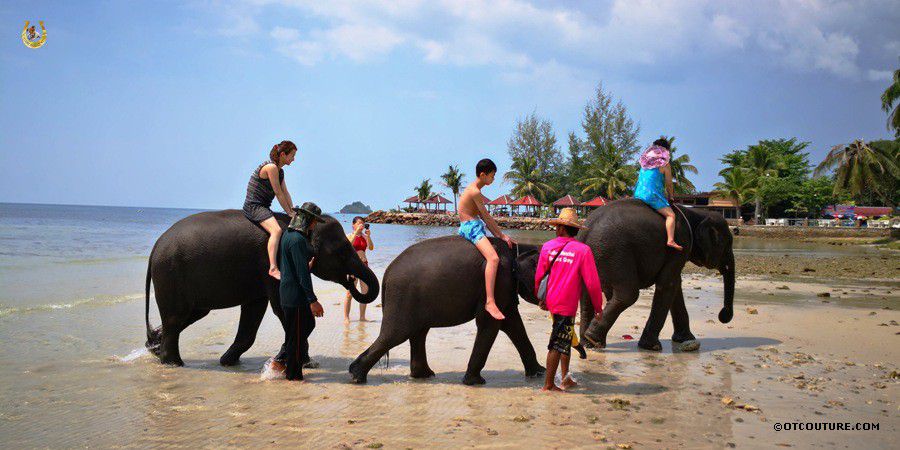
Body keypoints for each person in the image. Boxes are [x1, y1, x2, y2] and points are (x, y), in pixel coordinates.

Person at [534, 208, 604, 392]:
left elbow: (539, 277)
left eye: (558, 226)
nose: (556, 229)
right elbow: (593, 283)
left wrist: (540, 298)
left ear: (562, 229)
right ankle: (549, 385)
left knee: (564, 338)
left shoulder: (548, 247)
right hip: (567, 304)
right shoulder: (583, 251)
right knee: (558, 343)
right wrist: (598, 306)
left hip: (553, 302)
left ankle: (565, 379)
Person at [457, 158, 516, 321]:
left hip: (470, 224)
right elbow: (486, 217)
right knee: (494, 258)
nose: (493, 179)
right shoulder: (475, 191)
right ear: (483, 174)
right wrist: (501, 235)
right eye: (492, 175)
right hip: (471, 227)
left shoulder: (473, 188)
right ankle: (490, 301)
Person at [272, 202, 324, 381]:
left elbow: (295, 266)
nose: (315, 225)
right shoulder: (297, 241)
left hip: (288, 292)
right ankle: (293, 376)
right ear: (308, 220)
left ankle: (283, 362)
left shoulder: (288, 235)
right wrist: (313, 300)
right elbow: (302, 275)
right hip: (295, 296)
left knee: (306, 325)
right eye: (314, 221)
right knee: (295, 336)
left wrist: (304, 264)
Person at [243, 140, 298, 280]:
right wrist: (288, 212)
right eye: (292, 155)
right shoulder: (271, 167)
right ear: (283, 155)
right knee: (277, 230)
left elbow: (286, 192)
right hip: (254, 206)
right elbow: (278, 193)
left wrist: (292, 211)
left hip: (264, 206)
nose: (294, 159)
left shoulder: (280, 172)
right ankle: (273, 267)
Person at [634, 138, 682, 251]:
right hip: (652, 196)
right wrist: (671, 196)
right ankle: (670, 240)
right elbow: (669, 184)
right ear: (666, 151)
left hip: (638, 194)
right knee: (671, 216)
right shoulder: (665, 164)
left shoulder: (645, 163)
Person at [344, 216, 374, 324]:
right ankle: (346, 317)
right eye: (359, 223)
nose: (361, 225)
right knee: (350, 293)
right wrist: (356, 232)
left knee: (365, 292)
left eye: (362, 223)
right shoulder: (349, 235)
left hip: (364, 266)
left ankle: (362, 317)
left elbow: (371, 248)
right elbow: (347, 246)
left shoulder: (365, 236)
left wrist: (369, 236)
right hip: (352, 266)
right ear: (353, 225)